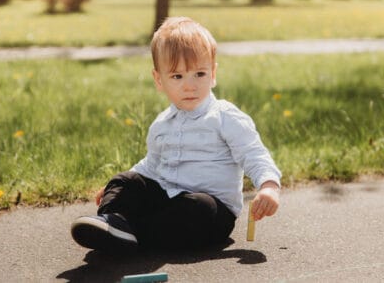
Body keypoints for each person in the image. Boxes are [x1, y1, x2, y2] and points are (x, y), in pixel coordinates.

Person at [71, 16, 281, 252]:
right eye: (177, 76)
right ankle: (113, 223)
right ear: (159, 80)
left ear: (213, 74)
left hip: (211, 211)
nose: (189, 85)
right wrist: (117, 188)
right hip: (167, 201)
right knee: (125, 180)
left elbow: (253, 153)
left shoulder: (225, 117)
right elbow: (150, 165)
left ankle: (131, 232)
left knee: (195, 208)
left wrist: (269, 186)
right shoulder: (162, 123)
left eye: (199, 74)